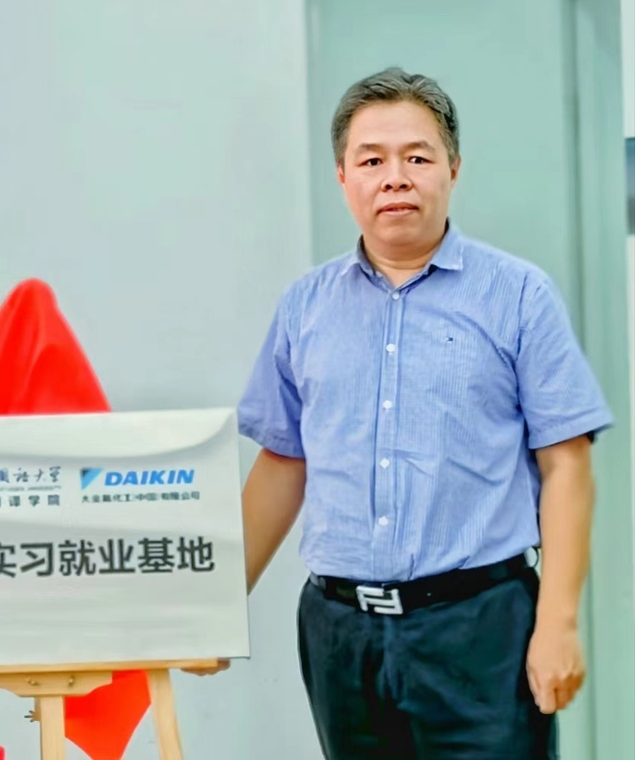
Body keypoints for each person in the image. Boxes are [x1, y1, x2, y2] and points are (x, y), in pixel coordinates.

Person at [234, 68, 612, 758]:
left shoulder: (518, 296)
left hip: (480, 626)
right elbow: (283, 463)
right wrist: (213, 610)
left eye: (416, 157)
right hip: (339, 631)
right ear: (342, 177)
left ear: (452, 169)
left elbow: (567, 466)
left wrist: (557, 622)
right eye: (371, 161)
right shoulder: (305, 307)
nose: (395, 178)